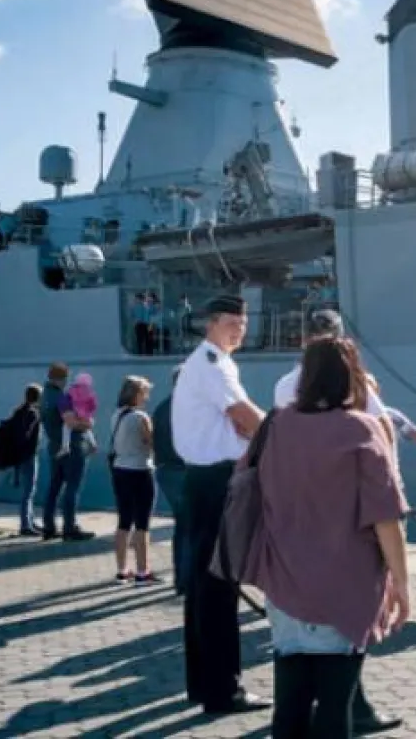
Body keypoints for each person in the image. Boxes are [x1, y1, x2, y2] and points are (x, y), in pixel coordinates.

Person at [247, 335, 411, 739]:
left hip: (283, 583)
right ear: (351, 378)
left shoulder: (275, 425)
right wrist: (401, 583)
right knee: (335, 711)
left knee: (290, 707)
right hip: (344, 587)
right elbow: (385, 518)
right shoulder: (362, 429)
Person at [171, 293, 270, 716]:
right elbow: (246, 418)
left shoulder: (208, 363)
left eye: (243, 323)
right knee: (218, 587)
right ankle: (223, 691)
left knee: (204, 589)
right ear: (210, 323)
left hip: (204, 483)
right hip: (217, 484)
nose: (239, 329)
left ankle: (204, 685)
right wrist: (293, 437)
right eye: (232, 321)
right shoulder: (212, 364)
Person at [109, 375, 160, 583]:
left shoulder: (117, 415)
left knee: (123, 521)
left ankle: (122, 569)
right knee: (142, 523)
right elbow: (151, 443)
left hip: (119, 470)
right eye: (145, 393)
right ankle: (142, 570)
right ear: (137, 394)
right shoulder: (141, 417)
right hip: (140, 470)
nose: (146, 398)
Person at [43, 365, 95, 542]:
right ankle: (69, 527)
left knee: (54, 487)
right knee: (72, 487)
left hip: (53, 447)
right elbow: (71, 422)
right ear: (61, 378)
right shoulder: (61, 397)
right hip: (72, 448)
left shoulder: (44, 396)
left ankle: (48, 526)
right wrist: (88, 425)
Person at [152, 366, 189, 596]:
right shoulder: (187, 407)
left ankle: (181, 577)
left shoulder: (161, 407)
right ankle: (187, 578)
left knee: (182, 526)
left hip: (166, 470)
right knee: (192, 526)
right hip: (183, 471)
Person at [3, 384, 43, 536]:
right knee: (29, 491)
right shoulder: (32, 413)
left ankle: (30, 521)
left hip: (21, 456)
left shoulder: (19, 411)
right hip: (29, 456)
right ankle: (26, 525)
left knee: (28, 491)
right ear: (37, 397)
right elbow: (26, 435)